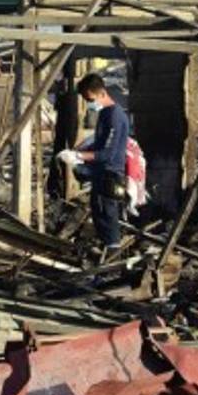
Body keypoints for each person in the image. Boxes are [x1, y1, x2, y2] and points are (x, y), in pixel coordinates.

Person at [62, 74, 130, 258]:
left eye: (89, 99)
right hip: (101, 173)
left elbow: (107, 153)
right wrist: (79, 154)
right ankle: (107, 253)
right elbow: (99, 145)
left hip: (110, 173)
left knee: (108, 217)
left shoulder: (115, 116)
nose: (88, 103)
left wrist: (79, 156)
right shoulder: (105, 113)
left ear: (101, 93)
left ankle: (113, 256)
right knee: (100, 214)